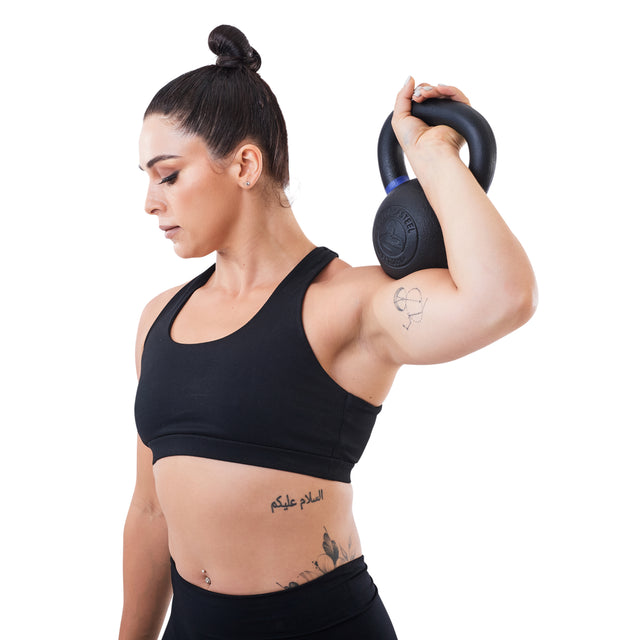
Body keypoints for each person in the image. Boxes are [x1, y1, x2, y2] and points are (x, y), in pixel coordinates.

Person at [119, 24, 537, 640]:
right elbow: (150, 510)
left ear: (244, 164)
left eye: (168, 175)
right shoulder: (159, 319)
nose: (149, 202)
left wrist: (433, 157)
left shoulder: (349, 305)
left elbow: (503, 296)